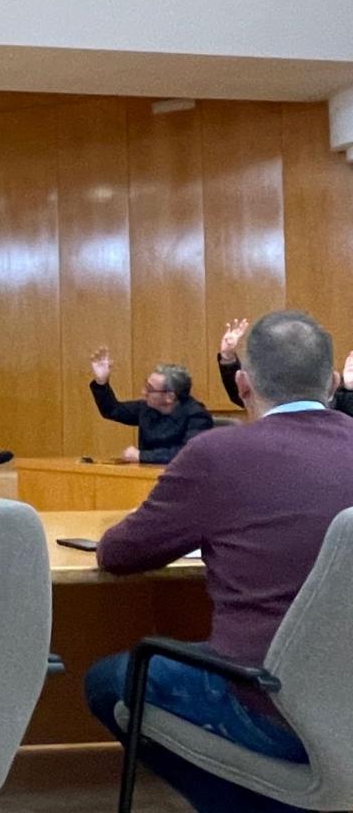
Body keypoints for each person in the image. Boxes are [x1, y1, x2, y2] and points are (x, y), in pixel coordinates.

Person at [85, 310, 353, 813]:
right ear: (333, 382)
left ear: (245, 384)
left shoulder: (217, 454)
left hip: (268, 706)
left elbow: (119, 555)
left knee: (110, 680)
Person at [89, 347, 213, 463]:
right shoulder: (146, 408)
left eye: (150, 389)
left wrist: (141, 456)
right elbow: (112, 410)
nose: (143, 392)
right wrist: (101, 382)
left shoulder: (197, 415)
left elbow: (189, 454)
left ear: (170, 397)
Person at [217, 316, 353, 416]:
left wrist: (348, 388)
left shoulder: (328, 390)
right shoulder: (271, 386)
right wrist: (228, 358)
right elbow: (246, 393)